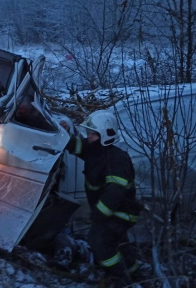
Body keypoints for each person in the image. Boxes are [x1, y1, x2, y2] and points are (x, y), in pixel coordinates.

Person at [59, 110, 142, 287]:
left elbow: (115, 192)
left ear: (106, 135)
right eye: (88, 133)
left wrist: (99, 214)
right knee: (119, 243)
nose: (89, 137)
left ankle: (122, 281)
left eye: (93, 134)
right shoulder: (95, 150)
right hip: (111, 212)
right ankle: (136, 275)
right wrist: (65, 132)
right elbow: (77, 146)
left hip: (121, 213)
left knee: (99, 243)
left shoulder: (117, 159)